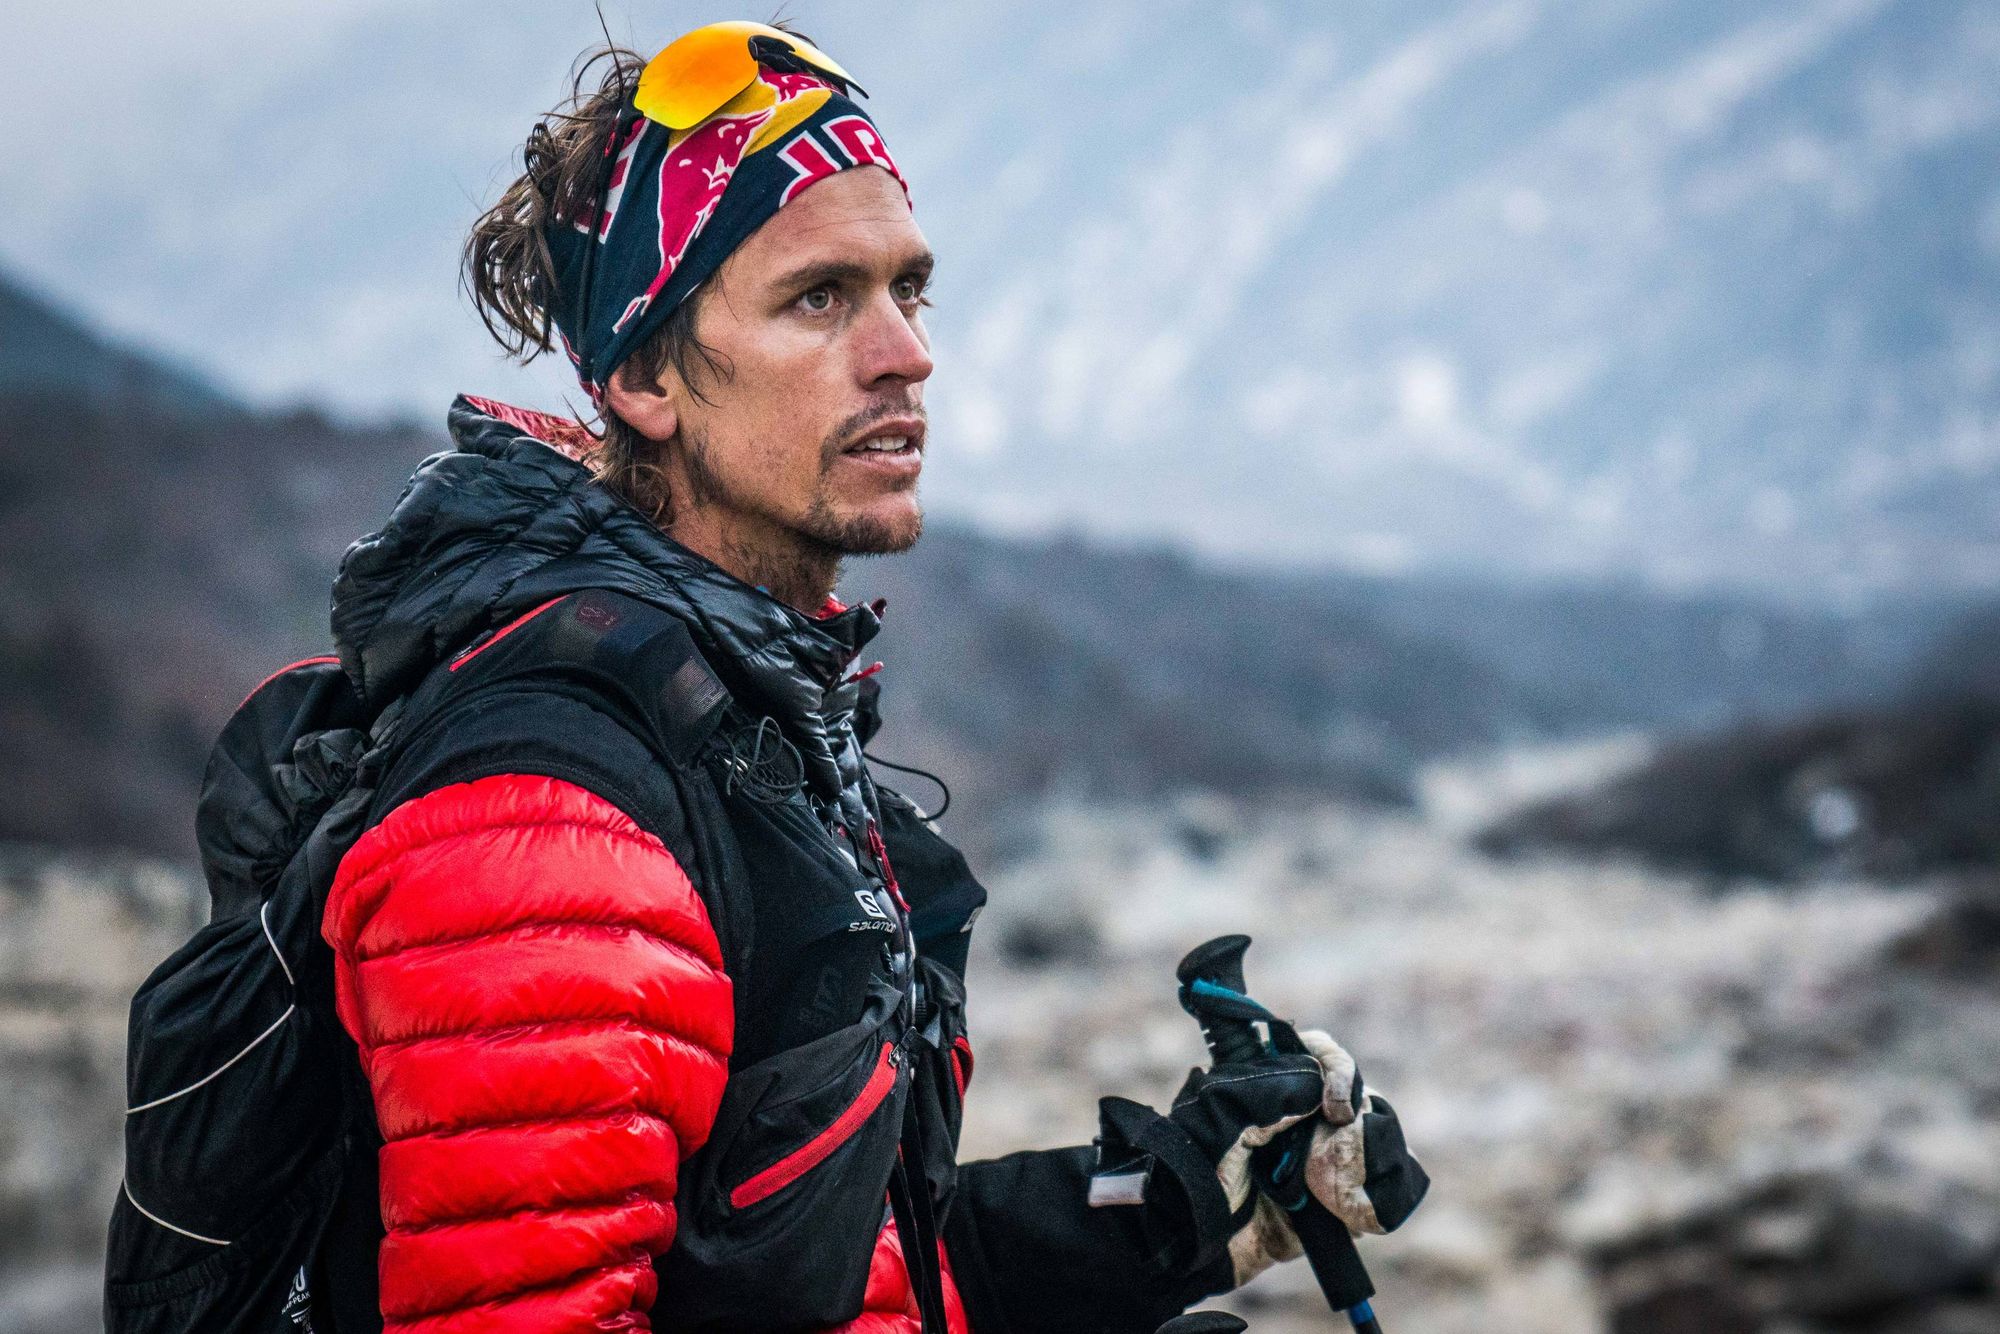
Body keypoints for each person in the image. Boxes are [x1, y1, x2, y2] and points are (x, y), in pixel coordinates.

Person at [317, 22, 1427, 1334]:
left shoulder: (740, 727)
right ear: (641, 374)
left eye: (911, 289)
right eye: (821, 298)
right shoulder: (552, 822)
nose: (907, 352)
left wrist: (1176, 1204)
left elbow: (842, 1276)